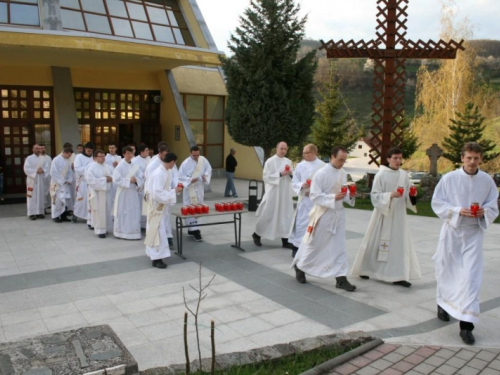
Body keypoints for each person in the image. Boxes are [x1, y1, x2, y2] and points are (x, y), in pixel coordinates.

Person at [431, 142, 498, 345]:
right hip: (452, 232)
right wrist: (458, 210)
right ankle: (443, 304)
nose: (472, 162)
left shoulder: (487, 180)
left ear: (481, 159)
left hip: (473, 233)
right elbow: (437, 202)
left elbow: (493, 205)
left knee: (471, 277)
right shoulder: (449, 178)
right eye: (468, 158)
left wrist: (483, 212)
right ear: (462, 158)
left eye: (476, 158)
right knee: (447, 271)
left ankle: (466, 324)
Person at [351, 147, 421, 287]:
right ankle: (366, 269)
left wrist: (412, 195)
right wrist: (389, 195)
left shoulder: (404, 175)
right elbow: (375, 196)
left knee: (398, 245)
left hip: (399, 215)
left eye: (400, 158)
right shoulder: (381, 175)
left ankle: (398, 275)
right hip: (383, 214)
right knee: (375, 241)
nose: (398, 161)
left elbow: (407, 195)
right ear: (388, 159)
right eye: (395, 158)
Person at [291, 146, 357, 291]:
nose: (342, 163)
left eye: (344, 160)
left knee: (339, 247)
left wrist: (350, 195)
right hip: (323, 214)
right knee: (315, 244)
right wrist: (333, 197)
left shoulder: (343, 173)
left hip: (338, 214)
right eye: (340, 160)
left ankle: (341, 278)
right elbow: (314, 195)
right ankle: (300, 266)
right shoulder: (321, 174)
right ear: (332, 156)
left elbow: (343, 193)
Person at [252, 142, 294, 248]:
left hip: (284, 192)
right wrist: (280, 174)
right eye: (281, 148)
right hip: (274, 191)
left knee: (285, 215)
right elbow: (266, 177)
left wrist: (290, 174)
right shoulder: (270, 161)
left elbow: (293, 177)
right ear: (276, 148)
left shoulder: (288, 161)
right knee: (268, 214)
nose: (283, 151)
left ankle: (285, 240)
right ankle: (257, 234)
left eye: (285, 149)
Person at [144, 152, 182, 269]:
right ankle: (156, 259)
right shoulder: (159, 173)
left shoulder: (166, 171)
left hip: (161, 206)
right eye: (174, 163)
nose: (174, 165)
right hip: (156, 207)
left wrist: (173, 190)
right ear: (171, 162)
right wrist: (173, 192)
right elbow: (157, 193)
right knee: (157, 232)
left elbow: (163, 189)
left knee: (160, 231)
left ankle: (158, 256)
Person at [288, 144, 325, 257]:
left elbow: (325, 184)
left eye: (305, 153)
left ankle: (311, 250)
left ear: (313, 153)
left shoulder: (323, 166)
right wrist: (301, 185)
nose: (303, 155)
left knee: (314, 226)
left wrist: (314, 191)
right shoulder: (300, 166)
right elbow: (294, 182)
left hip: (316, 202)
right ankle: (296, 248)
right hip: (304, 200)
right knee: (301, 224)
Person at [178, 146, 212, 242]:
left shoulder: (203, 160)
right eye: (194, 155)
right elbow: (180, 176)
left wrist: (205, 176)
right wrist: (189, 179)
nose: (196, 157)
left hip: (199, 187)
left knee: (198, 207)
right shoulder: (185, 163)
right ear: (190, 153)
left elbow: (208, 170)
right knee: (190, 208)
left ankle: (195, 229)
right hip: (190, 188)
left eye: (197, 155)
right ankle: (194, 230)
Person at [113, 146, 144, 240]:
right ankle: (121, 232)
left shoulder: (134, 166)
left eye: (131, 153)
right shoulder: (120, 166)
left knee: (133, 211)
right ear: (123, 154)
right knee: (123, 212)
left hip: (133, 193)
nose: (129, 155)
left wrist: (136, 180)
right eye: (127, 153)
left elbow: (141, 177)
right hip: (123, 193)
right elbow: (116, 180)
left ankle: (133, 232)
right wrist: (129, 180)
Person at [87, 150, 114, 239]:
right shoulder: (92, 168)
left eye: (104, 156)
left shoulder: (108, 167)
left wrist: (111, 178)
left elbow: (114, 176)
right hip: (97, 194)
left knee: (107, 211)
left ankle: (105, 228)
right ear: (95, 158)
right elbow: (91, 181)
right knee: (99, 212)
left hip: (107, 193)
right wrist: (105, 179)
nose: (103, 158)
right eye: (100, 156)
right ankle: (100, 230)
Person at [24, 144, 49, 220]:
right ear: (33, 149)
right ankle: (31, 213)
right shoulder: (29, 158)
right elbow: (26, 168)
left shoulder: (43, 158)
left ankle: (40, 212)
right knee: (32, 196)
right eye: (36, 148)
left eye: (39, 148)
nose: (38, 150)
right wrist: (36, 171)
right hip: (32, 180)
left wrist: (43, 170)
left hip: (41, 179)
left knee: (40, 196)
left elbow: (47, 167)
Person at [50, 147, 74, 223]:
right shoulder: (56, 159)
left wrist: (69, 179)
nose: (69, 157)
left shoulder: (67, 160)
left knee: (65, 199)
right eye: (69, 155)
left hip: (65, 183)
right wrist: (61, 180)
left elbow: (70, 171)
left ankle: (63, 215)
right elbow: (53, 172)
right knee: (57, 200)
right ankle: (55, 216)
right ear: (65, 152)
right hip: (57, 183)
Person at [73, 142, 94, 226]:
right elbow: (77, 168)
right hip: (82, 181)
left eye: (91, 151)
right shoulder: (79, 157)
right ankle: (76, 214)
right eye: (88, 151)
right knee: (81, 200)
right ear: (85, 149)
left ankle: (88, 217)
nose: (89, 152)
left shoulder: (93, 157)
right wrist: (89, 169)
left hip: (91, 182)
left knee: (90, 200)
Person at [133, 144, 151, 230]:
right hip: (142, 186)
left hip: (149, 186)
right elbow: (137, 172)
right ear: (141, 152)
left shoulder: (150, 159)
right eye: (147, 150)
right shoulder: (135, 160)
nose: (148, 152)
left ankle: (147, 224)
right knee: (141, 205)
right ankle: (140, 224)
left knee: (148, 205)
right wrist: (144, 175)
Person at [39, 145, 52, 214]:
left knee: (48, 193)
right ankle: (42, 208)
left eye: (43, 148)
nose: (42, 149)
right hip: (41, 178)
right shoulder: (37, 158)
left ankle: (47, 207)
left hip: (48, 178)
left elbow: (50, 167)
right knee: (42, 193)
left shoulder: (48, 158)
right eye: (40, 148)